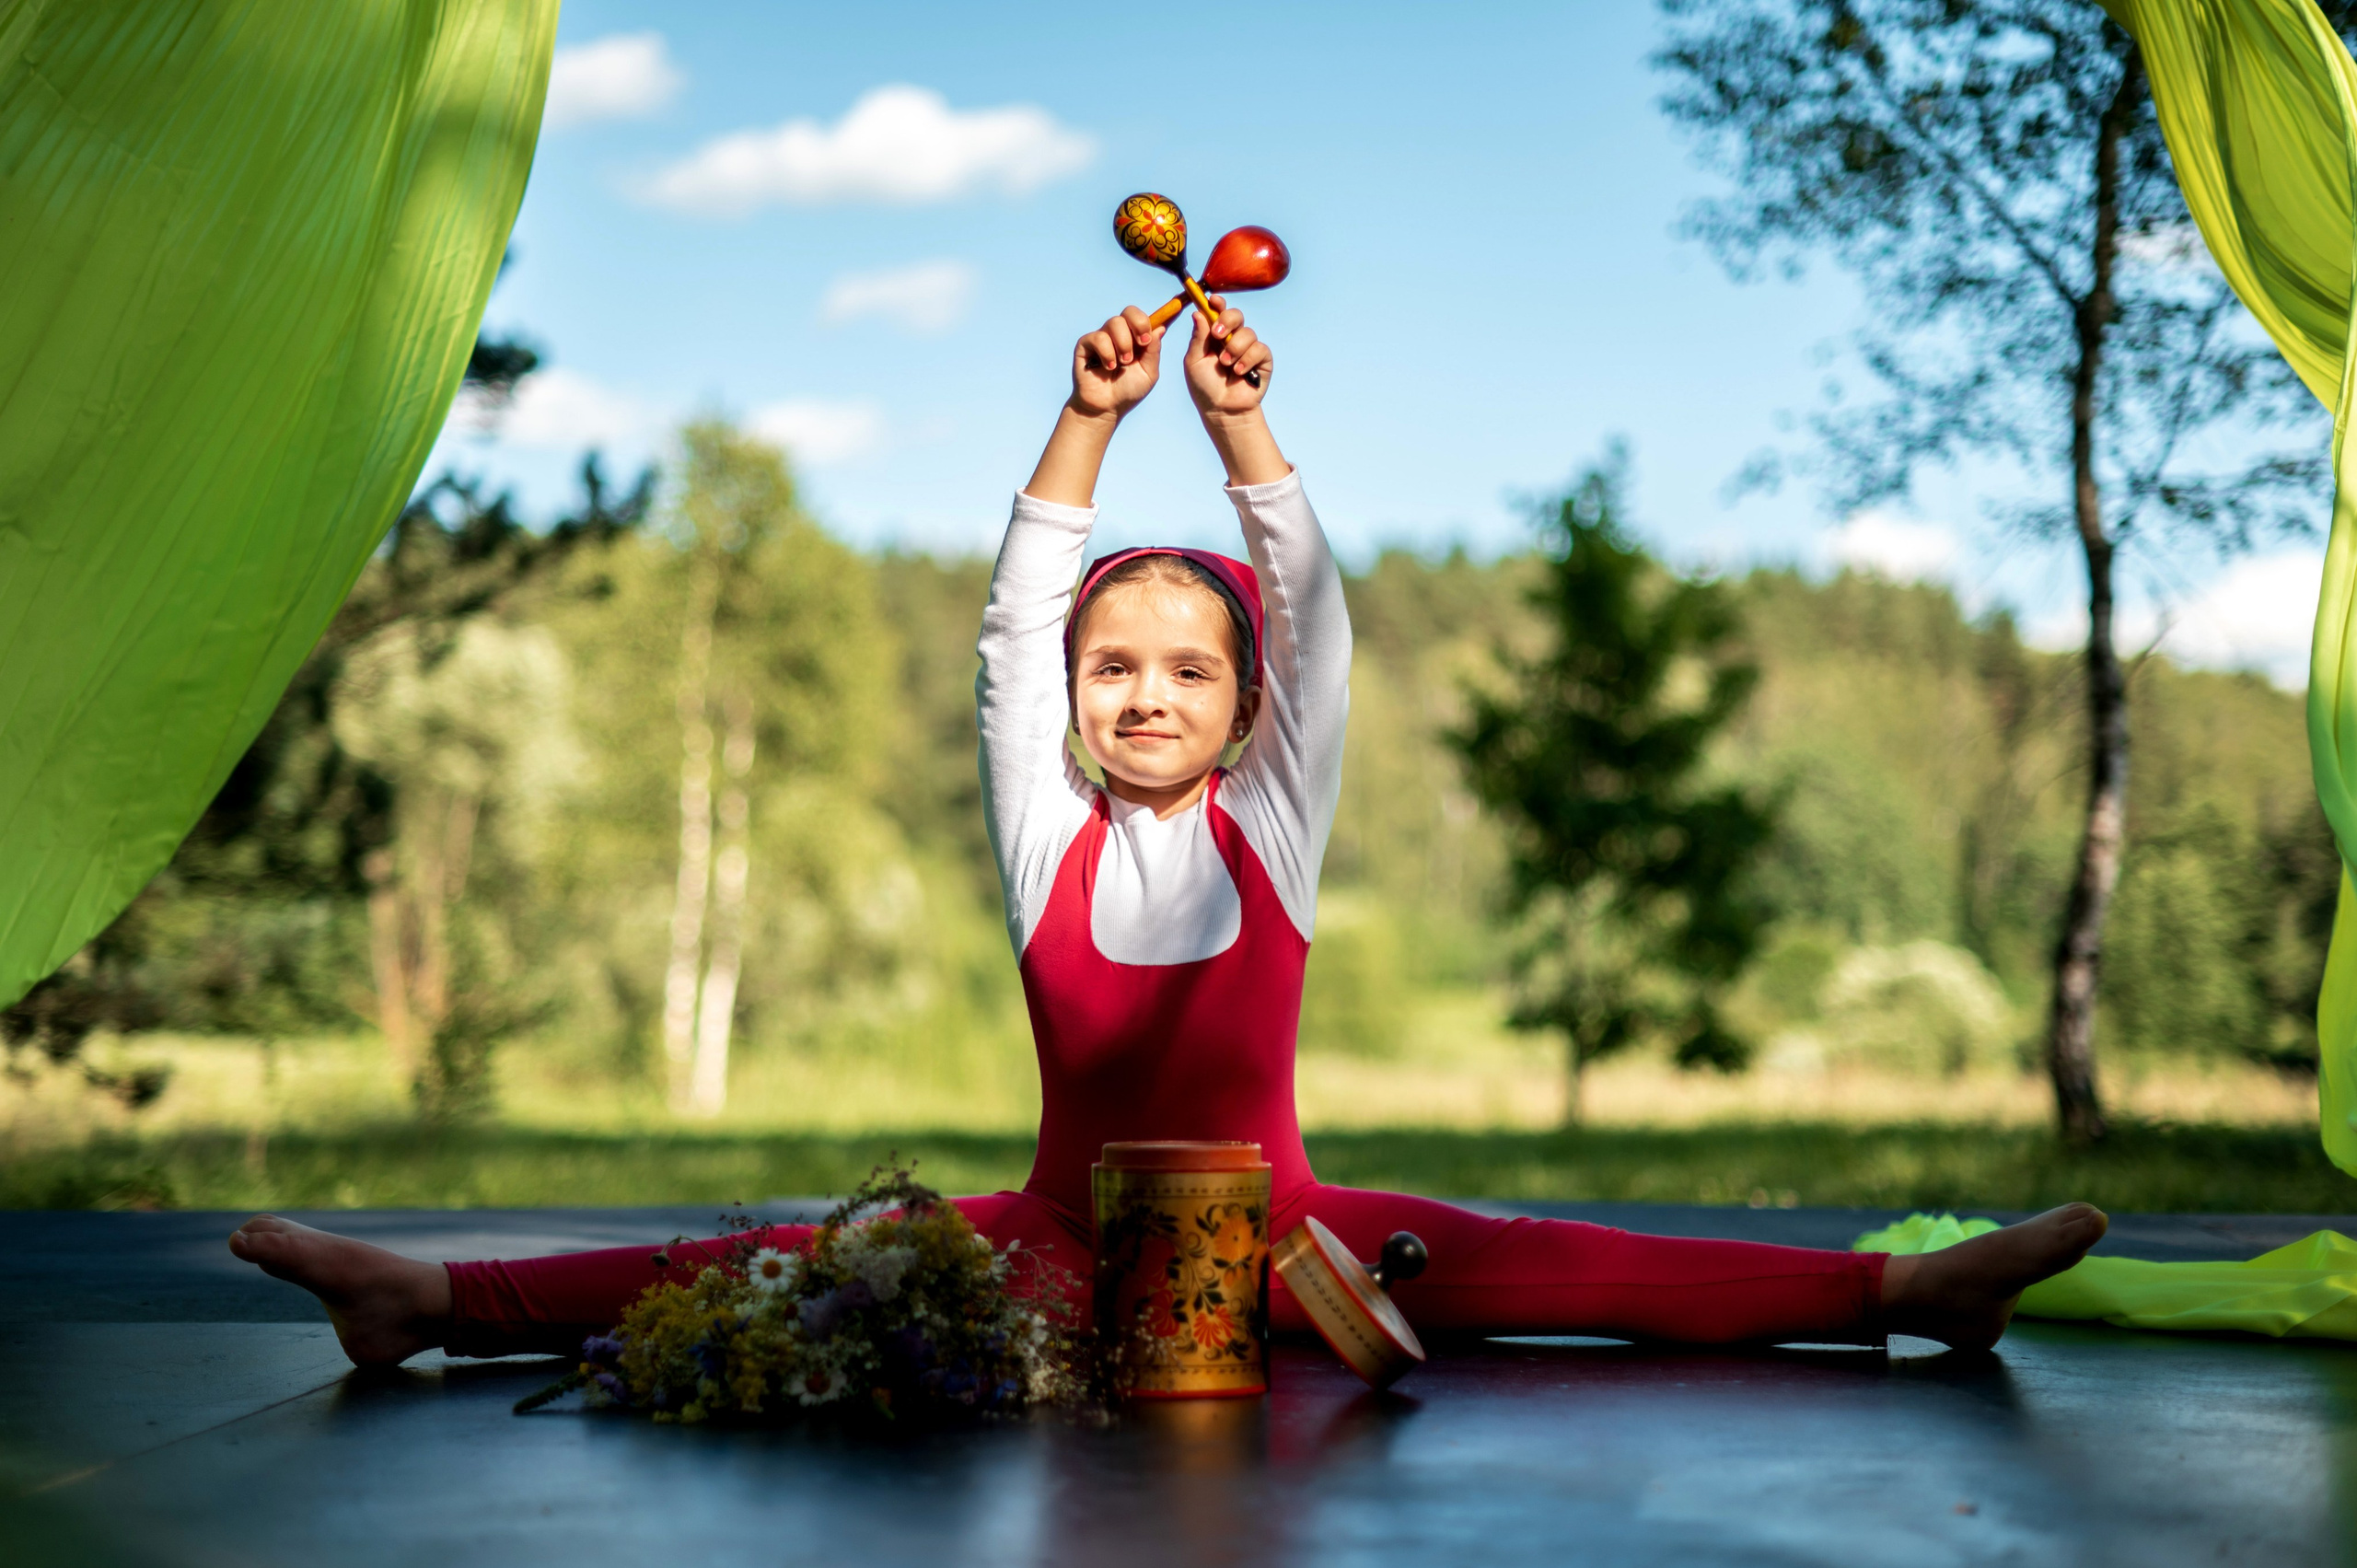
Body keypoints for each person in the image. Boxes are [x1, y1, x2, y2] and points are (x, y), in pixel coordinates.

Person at [228, 296, 2107, 1366]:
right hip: (1055, 1243)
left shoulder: (1268, 825)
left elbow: (1315, 605)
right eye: (1110, 667)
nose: (1140, 694)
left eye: (1184, 673)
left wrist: (1239, 435)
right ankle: (428, 1298)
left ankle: (1903, 1288)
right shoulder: (1036, 819)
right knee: (790, 1263)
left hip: (1296, 1239)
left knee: (1553, 1258)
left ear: (1241, 708)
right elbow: (1006, 615)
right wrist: (1079, 419)